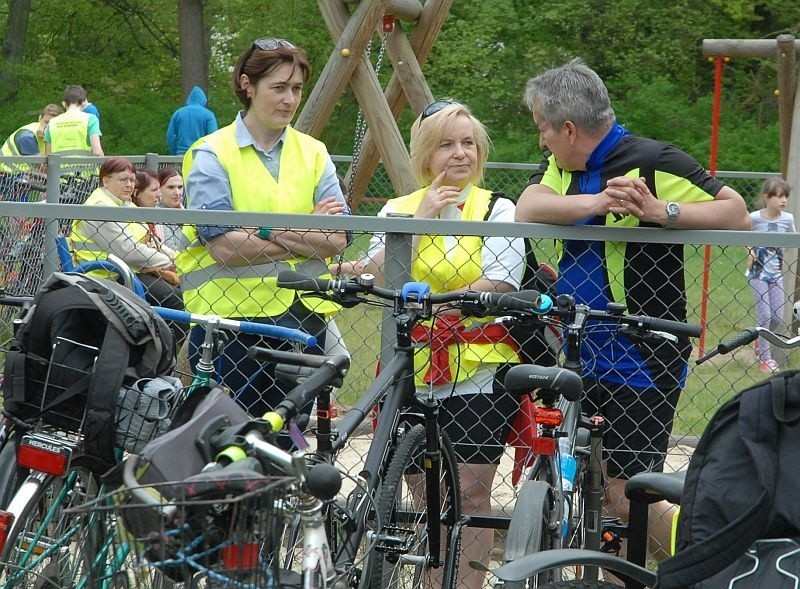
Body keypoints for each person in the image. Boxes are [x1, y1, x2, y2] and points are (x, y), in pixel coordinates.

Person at [515, 58, 751, 559]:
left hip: (643, 352)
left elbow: (736, 212)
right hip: (579, 347)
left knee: (629, 491)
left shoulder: (652, 159)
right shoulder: (564, 166)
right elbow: (528, 206)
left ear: (570, 128)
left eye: (543, 131)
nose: (542, 143)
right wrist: (598, 202)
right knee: (596, 488)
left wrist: (659, 211)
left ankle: (715, 561)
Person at [362, 99, 526, 589]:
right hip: (412, 367)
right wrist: (421, 225)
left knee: (471, 494)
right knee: (423, 494)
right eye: (447, 144)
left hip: (480, 367)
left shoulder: (499, 208)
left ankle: (465, 584)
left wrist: (428, 302)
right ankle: (432, 581)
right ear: (426, 155)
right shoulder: (399, 210)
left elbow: (499, 285)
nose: (460, 154)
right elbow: (375, 276)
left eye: (469, 143)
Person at [176, 38, 349, 421]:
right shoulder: (210, 154)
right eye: (279, 87)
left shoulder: (314, 152)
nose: (289, 99)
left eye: (297, 88)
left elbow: (338, 237)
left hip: (303, 318)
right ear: (246, 85)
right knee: (227, 438)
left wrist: (264, 230)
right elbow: (224, 246)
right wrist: (307, 231)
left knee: (291, 437)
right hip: (230, 325)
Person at [70, 158, 185, 343]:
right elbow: (128, 251)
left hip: (129, 272)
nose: (129, 185)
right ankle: (168, 356)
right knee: (175, 299)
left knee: (184, 289)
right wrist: (171, 262)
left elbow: (151, 241)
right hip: (107, 277)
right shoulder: (100, 207)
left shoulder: (124, 204)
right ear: (106, 181)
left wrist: (177, 258)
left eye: (132, 180)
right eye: (123, 179)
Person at [746, 178, 795, 372]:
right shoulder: (755, 218)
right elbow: (743, 236)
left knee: (777, 317)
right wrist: (750, 251)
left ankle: (759, 340)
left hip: (776, 274)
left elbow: (793, 238)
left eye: (786, 196)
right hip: (757, 273)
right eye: (779, 196)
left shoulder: (787, 219)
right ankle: (765, 359)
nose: (783, 200)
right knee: (765, 315)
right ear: (767, 198)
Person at [45, 85, 104, 157]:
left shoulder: (52, 123)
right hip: (85, 167)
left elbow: (48, 155)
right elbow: (97, 151)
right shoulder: (91, 119)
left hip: (59, 167)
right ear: (83, 102)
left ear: (64, 103)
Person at [166, 85, 218, 155]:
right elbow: (213, 137)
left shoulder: (178, 113)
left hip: (181, 155)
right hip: (200, 155)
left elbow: (170, 136)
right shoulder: (208, 115)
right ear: (203, 100)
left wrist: (174, 152)